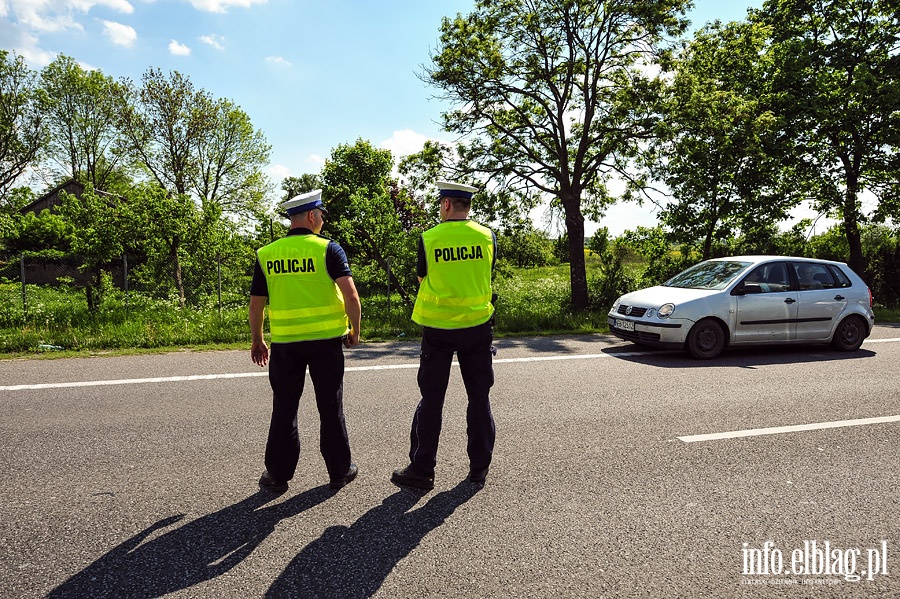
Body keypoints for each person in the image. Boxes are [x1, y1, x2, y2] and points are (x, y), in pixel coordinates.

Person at [249, 189, 361, 493]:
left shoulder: (267, 254)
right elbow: (351, 295)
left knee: (284, 408)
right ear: (312, 216)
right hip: (326, 343)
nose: (322, 219)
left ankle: (277, 475)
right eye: (321, 214)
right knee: (330, 406)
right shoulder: (329, 249)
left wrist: (258, 339)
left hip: (286, 345)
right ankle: (339, 471)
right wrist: (355, 329)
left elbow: (256, 303)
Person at [391, 181, 497, 491]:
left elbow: (423, 277)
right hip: (477, 327)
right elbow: (486, 272)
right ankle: (478, 468)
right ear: (468, 205)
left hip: (437, 329)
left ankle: (422, 469)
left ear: (446, 205)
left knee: (432, 399)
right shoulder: (487, 236)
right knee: (479, 398)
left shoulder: (429, 238)